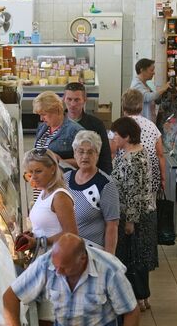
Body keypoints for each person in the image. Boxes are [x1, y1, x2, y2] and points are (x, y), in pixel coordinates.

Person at [3, 234, 140, 326]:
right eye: (56, 267)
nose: (58, 272)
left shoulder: (109, 270)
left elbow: (132, 312)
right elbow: (10, 297)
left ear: (82, 259)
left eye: (64, 268)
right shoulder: (47, 263)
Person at [19, 147, 78, 326]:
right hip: (43, 261)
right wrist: (32, 235)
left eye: (38, 171)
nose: (33, 177)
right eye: (29, 172)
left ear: (53, 169)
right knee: (45, 318)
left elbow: (71, 233)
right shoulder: (44, 193)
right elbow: (46, 226)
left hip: (58, 265)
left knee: (53, 318)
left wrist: (41, 241)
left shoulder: (60, 196)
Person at [110, 117, 156, 312]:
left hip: (136, 217)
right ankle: (142, 296)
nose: (113, 138)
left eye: (116, 135)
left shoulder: (134, 158)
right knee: (138, 258)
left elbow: (134, 192)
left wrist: (130, 221)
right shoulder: (135, 152)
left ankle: (139, 297)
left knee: (134, 258)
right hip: (140, 213)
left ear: (126, 137)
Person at [64, 131, 120, 253]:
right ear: (74, 153)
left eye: (90, 152)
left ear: (97, 155)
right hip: (67, 249)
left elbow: (112, 225)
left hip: (92, 252)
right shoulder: (66, 178)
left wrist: (109, 259)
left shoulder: (105, 184)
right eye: (81, 151)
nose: (85, 156)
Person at [122, 88, 166, 193]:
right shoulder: (152, 126)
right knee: (149, 206)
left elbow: (111, 154)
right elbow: (160, 154)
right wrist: (163, 179)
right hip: (150, 176)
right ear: (141, 107)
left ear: (123, 106)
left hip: (126, 176)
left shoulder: (119, 126)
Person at [63, 82, 112, 174]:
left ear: (85, 100)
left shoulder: (96, 125)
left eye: (77, 100)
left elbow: (105, 158)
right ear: (63, 99)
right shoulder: (57, 124)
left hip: (88, 176)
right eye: (69, 99)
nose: (72, 104)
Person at [34, 91, 83, 168]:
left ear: (57, 110)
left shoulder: (75, 131)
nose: (41, 119)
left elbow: (86, 160)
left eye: (44, 114)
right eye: (40, 115)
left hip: (62, 177)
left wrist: (60, 161)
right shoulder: (42, 127)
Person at [130, 58, 170, 123]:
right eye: (151, 70)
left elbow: (154, 99)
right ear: (142, 70)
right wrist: (163, 88)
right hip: (142, 123)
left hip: (148, 121)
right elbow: (148, 97)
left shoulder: (144, 83)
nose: (154, 73)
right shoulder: (136, 84)